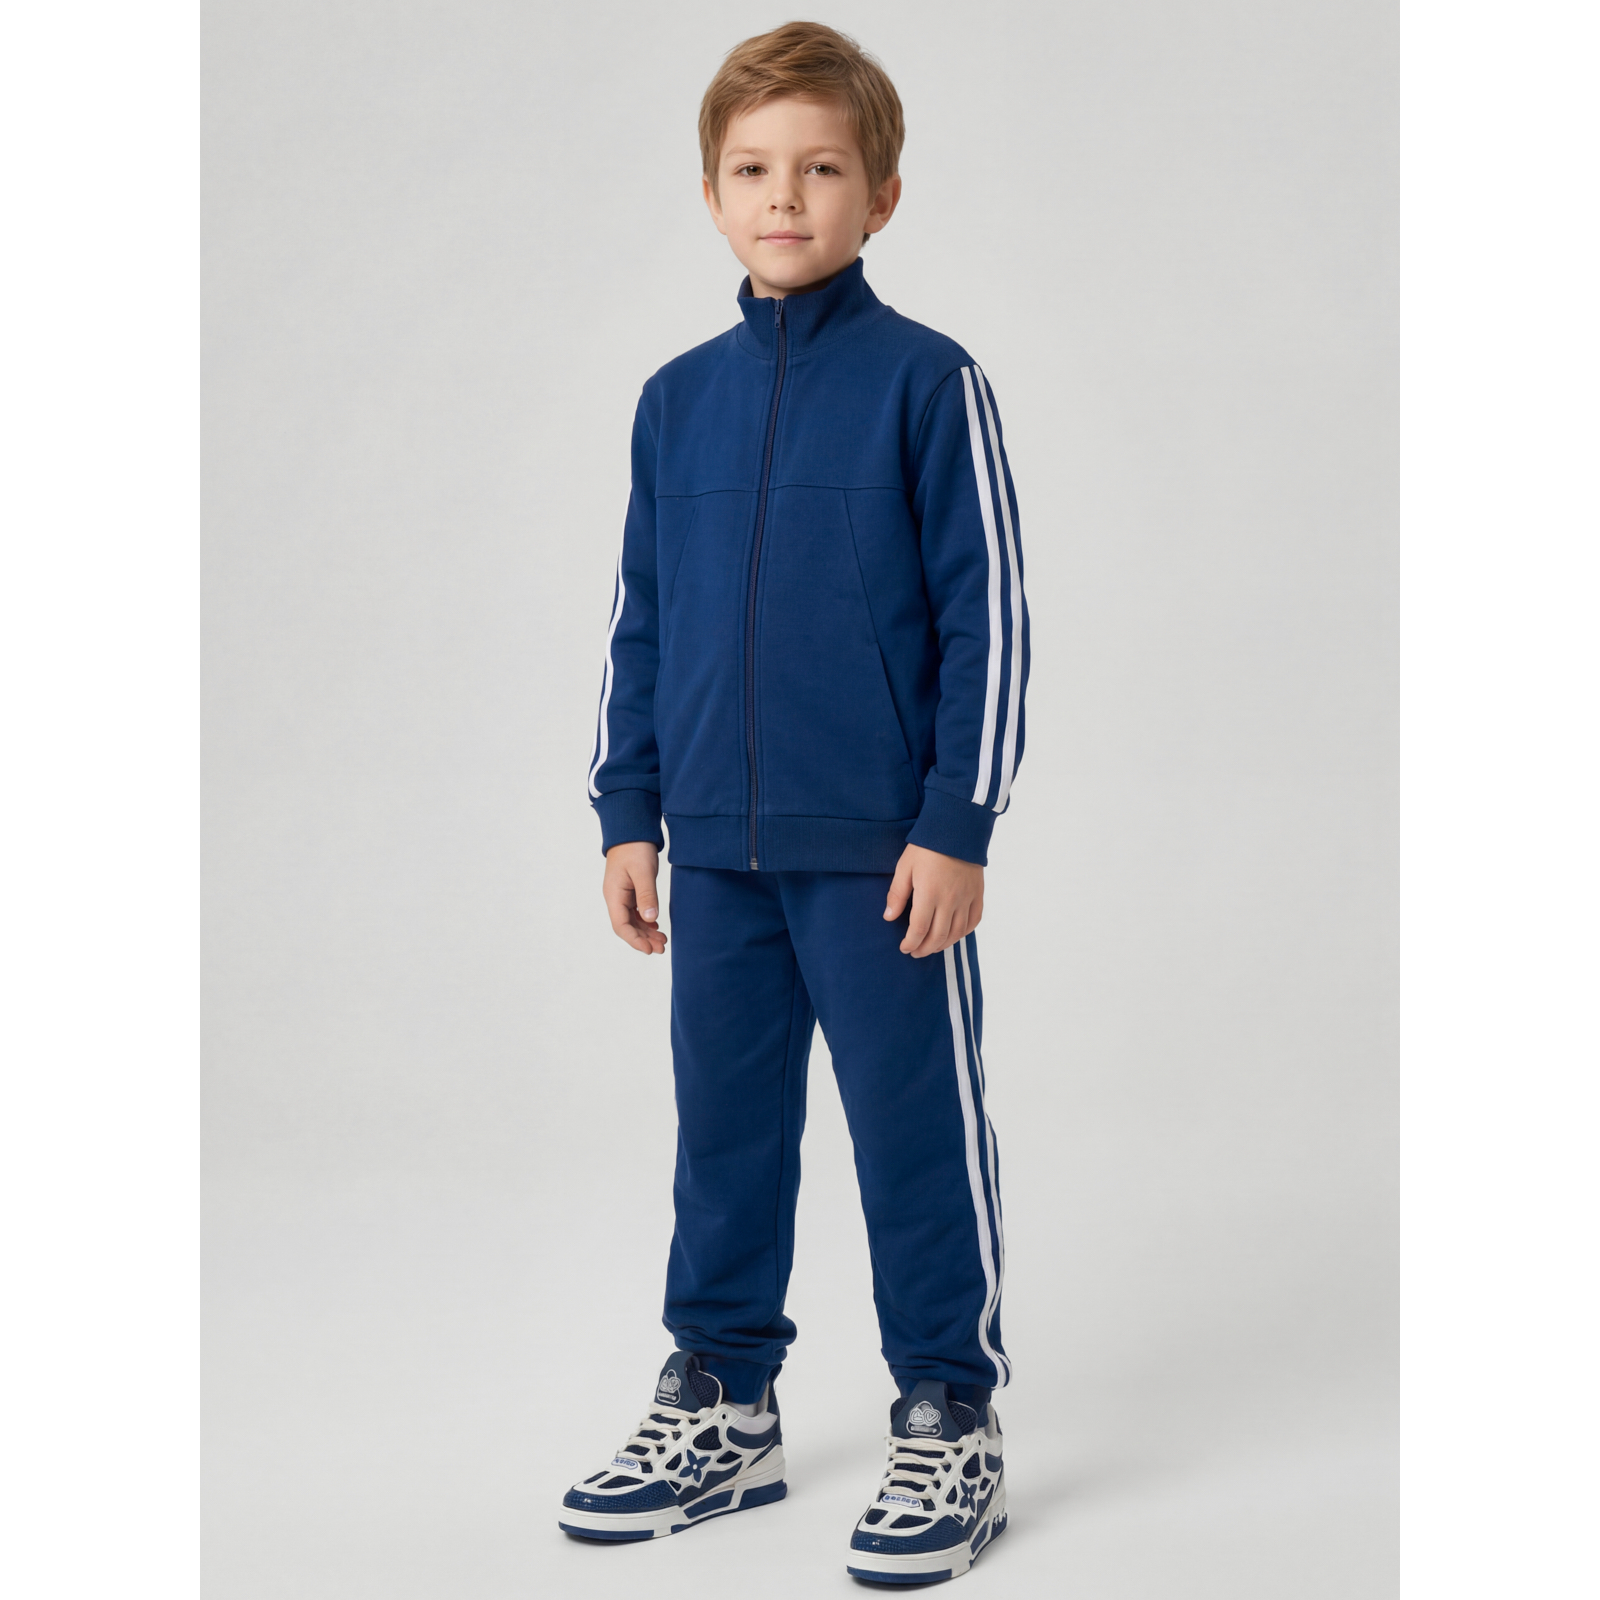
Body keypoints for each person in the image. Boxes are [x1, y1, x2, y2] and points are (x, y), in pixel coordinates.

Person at [560, 22, 1027, 1585]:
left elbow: (989, 618)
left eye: (821, 168)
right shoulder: (673, 403)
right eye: (754, 170)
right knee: (725, 1138)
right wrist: (629, 809)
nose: (785, 197)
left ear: (880, 196)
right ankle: (722, 1403)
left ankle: (950, 1414)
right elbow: (641, 620)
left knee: (912, 1136)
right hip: (712, 853)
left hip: (883, 858)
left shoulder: (927, 384)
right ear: (711, 196)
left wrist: (956, 822)